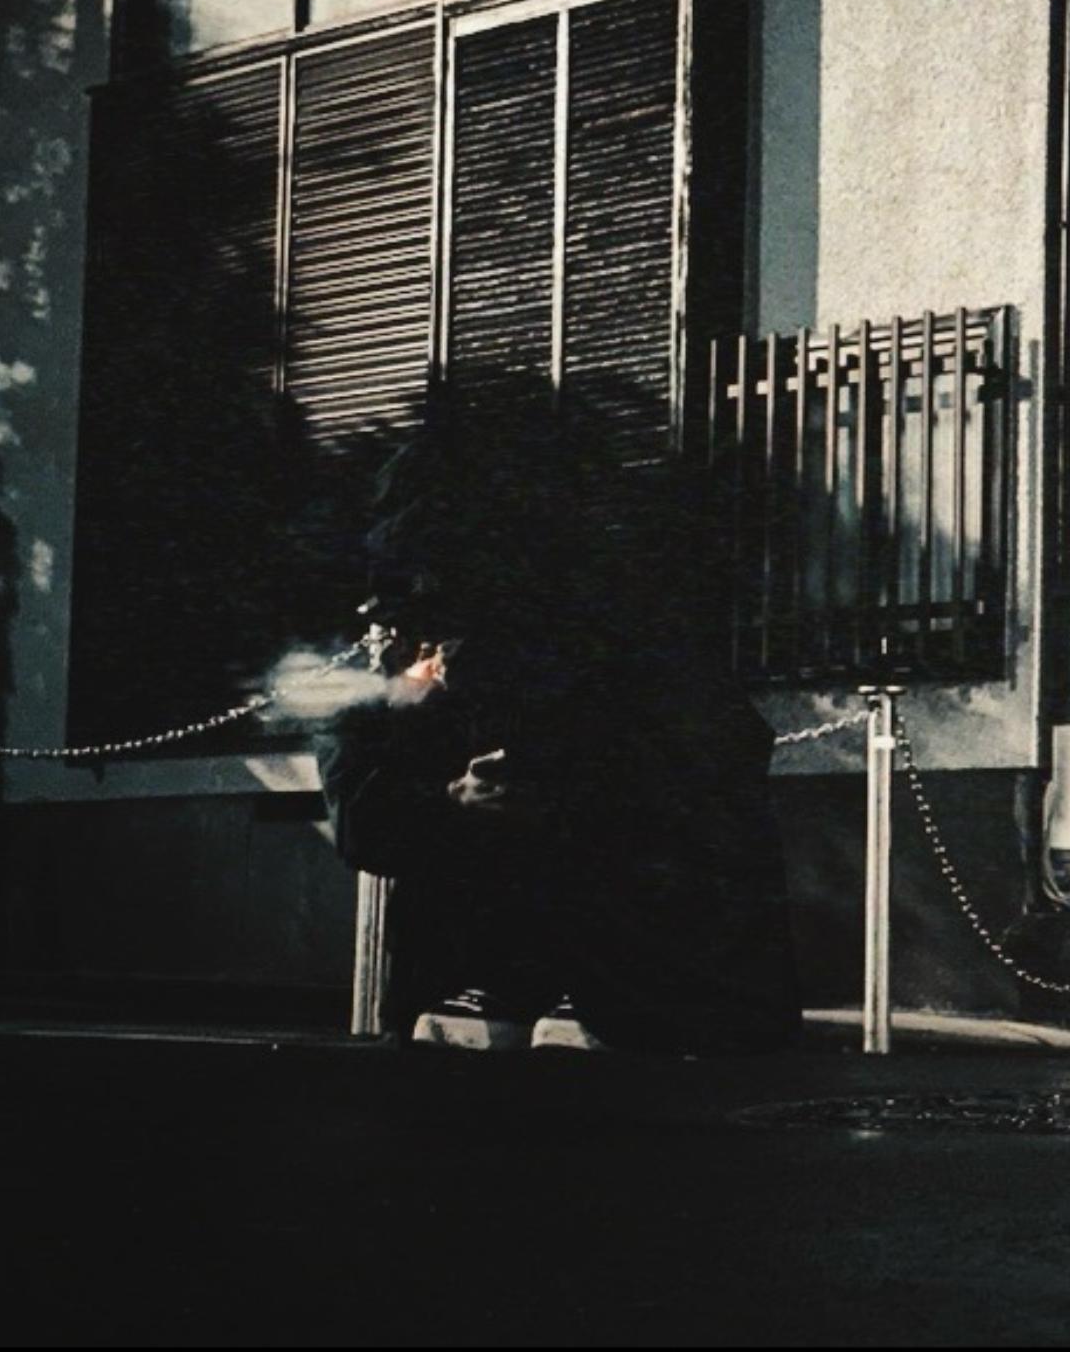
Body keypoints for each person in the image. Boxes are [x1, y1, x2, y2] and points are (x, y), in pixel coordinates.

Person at [316, 384, 802, 1056]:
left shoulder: (611, 650)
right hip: (476, 979)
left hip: (625, 984)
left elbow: (717, 776)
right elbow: (361, 823)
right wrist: (450, 794)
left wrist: (574, 784)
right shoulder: (387, 668)